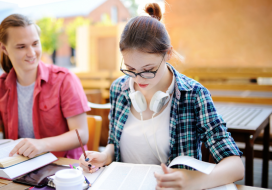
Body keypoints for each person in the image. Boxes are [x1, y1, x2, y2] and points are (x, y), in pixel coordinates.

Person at [79, 3, 244, 189]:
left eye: (148, 70)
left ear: (168, 54)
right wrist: (105, 156)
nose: (138, 78)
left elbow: (236, 167)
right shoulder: (120, 88)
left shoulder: (194, 95)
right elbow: (113, 144)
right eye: (130, 69)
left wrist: (193, 181)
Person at [0, 14, 90, 159]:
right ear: (4, 48)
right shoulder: (1, 87)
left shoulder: (65, 80)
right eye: (21, 47)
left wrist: (42, 145)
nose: (31, 53)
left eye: (35, 44)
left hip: (63, 168)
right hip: (20, 167)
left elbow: (81, 134)